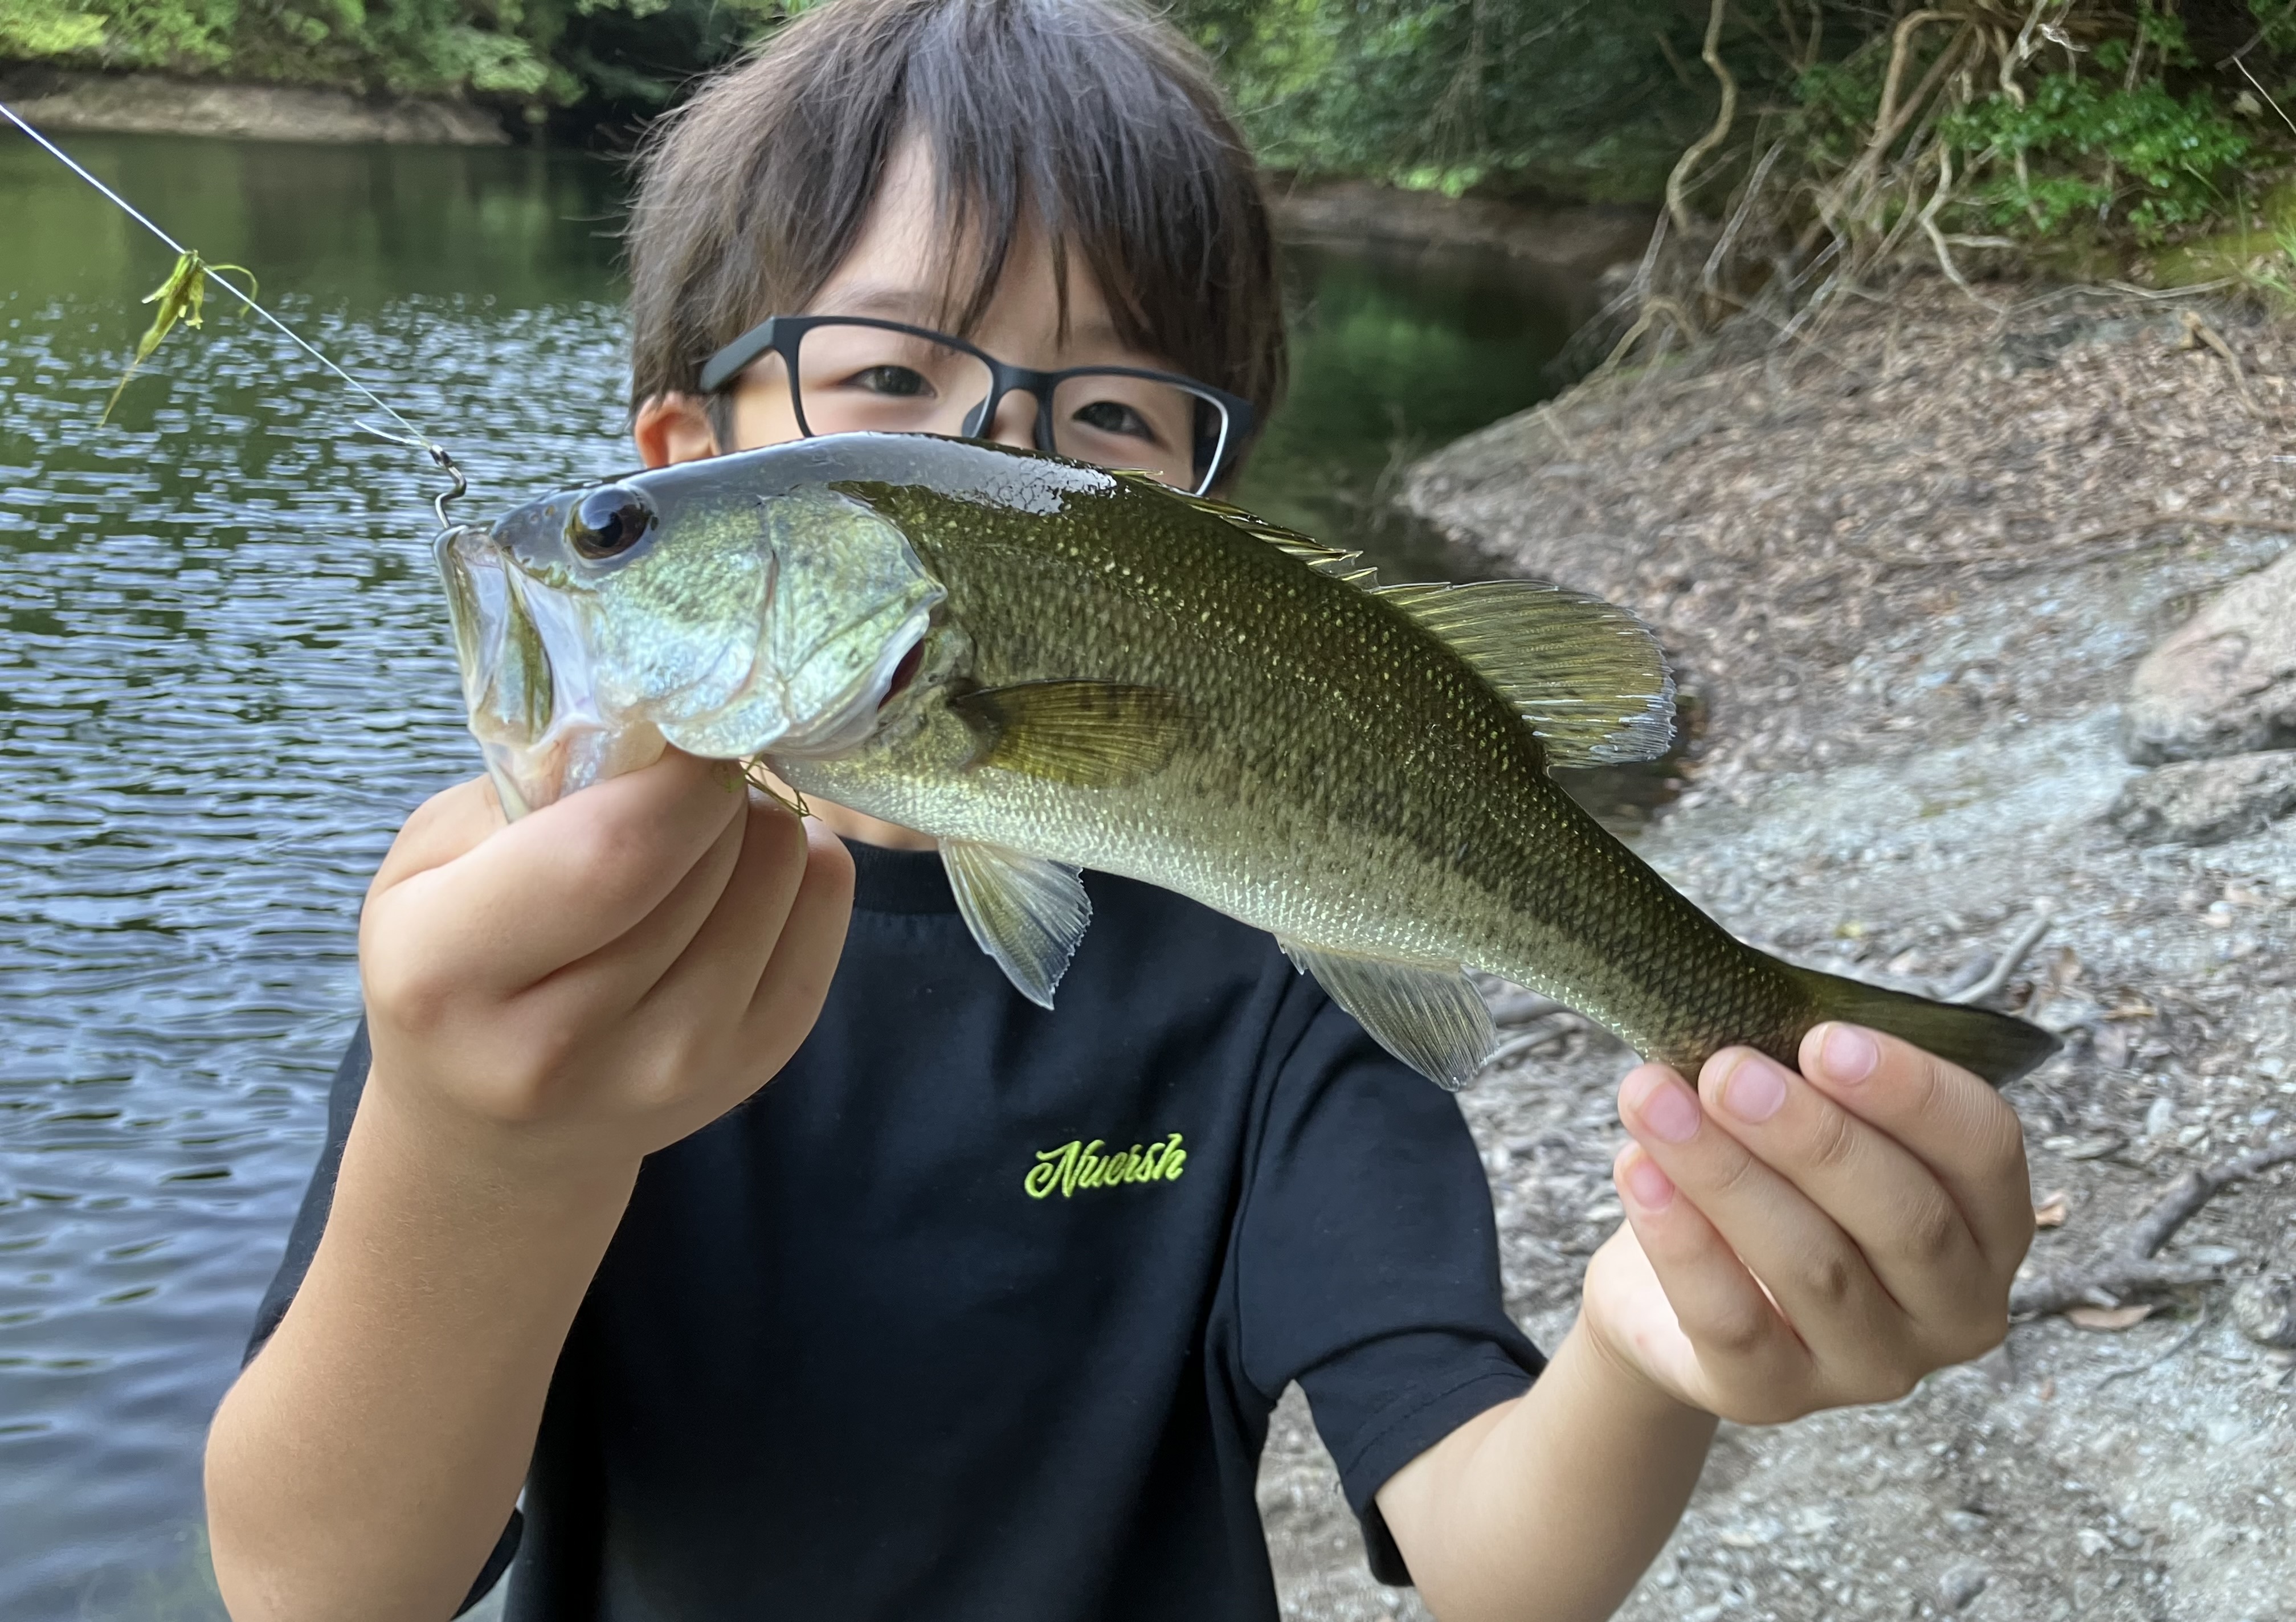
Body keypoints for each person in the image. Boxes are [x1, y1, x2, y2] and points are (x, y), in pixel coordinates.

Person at [202, 2, 2036, 1618]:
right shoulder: (548, 993)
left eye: (1112, 417)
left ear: (1201, 522)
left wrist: (1648, 1350)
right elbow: (318, 1594)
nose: (995, 453)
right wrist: (476, 1147)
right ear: (691, 453)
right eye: (887, 378)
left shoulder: (1277, 987)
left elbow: (1495, 1560)